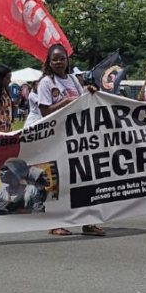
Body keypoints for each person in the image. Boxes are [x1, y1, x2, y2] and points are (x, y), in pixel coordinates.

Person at [37, 43, 104, 236]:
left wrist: (89, 91)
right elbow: (45, 111)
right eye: (55, 59)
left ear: (67, 60)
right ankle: (55, 223)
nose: (59, 62)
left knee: (85, 177)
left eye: (62, 58)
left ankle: (88, 220)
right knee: (59, 180)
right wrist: (65, 102)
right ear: (49, 62)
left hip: (77, 134)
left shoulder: (73, 79)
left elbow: (82, 101)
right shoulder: (46, 83)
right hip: (57, 136)